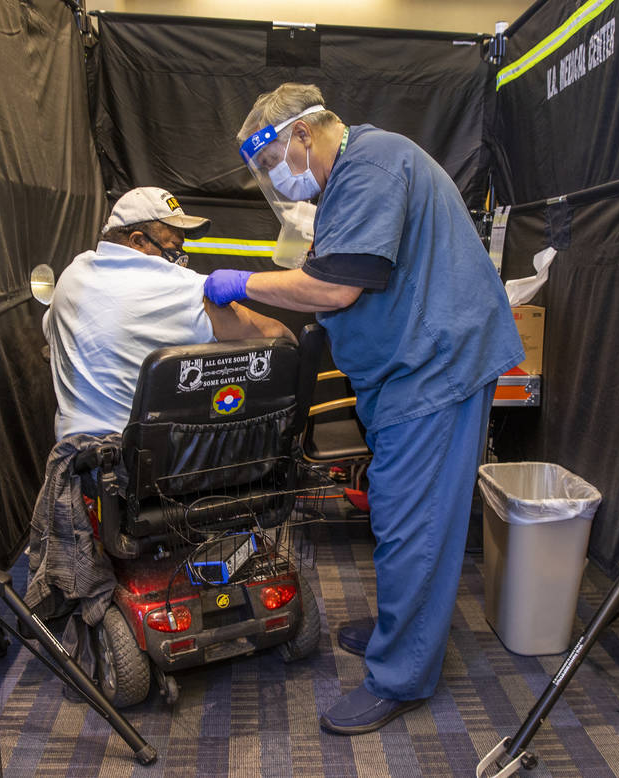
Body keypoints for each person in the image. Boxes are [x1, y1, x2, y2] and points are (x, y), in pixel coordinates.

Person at [203, 84, 525, 735]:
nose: (276, 180)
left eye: (270, 165)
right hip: (408, 368)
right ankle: (400, 627)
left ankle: (401, 675)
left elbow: (337, 284)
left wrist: (238, 283)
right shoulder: (357, 173)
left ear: (300, 136)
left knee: (414, 517)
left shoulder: (372, 164)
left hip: (436, 368)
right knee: (400, 503)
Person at [44, 186, 294, 438]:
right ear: (138, 241)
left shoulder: (73, 275)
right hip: (144, 458)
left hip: (74, 458)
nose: (181, 258)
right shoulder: (184, 287)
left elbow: (51, 334)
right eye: (174, 246)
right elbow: (278, 336)